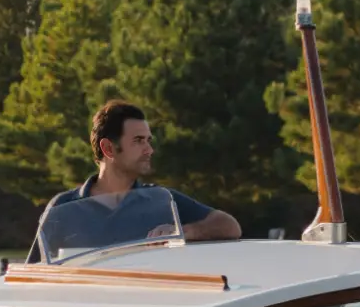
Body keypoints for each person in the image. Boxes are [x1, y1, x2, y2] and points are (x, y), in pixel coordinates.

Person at [27, 100, 241, 261]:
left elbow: (230, 226)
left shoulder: (163, 201)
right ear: (108, 148)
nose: (149, 150)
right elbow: (30, 279)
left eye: (148, 140)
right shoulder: (62, 207)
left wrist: (183, 231)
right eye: (138, 141)